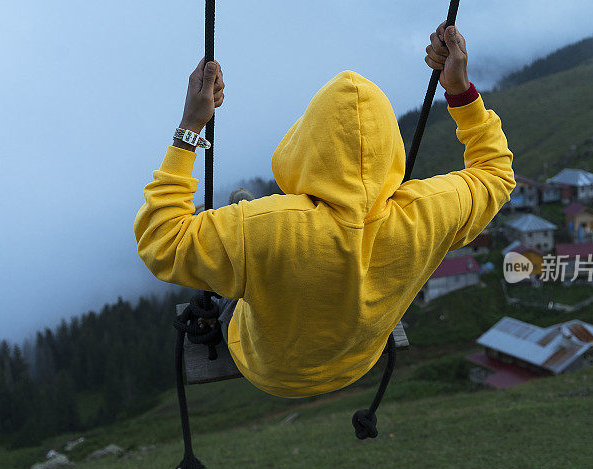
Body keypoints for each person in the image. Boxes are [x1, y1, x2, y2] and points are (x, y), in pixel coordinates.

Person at [134, 22, 516, 399]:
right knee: (247, 222)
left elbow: (162, 240)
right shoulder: (428, 213)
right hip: (357, 359)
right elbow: (496, 174)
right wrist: (460, 91)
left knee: (239, 209)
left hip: (270, 370)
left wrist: (190, 127)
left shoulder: (264, 228)